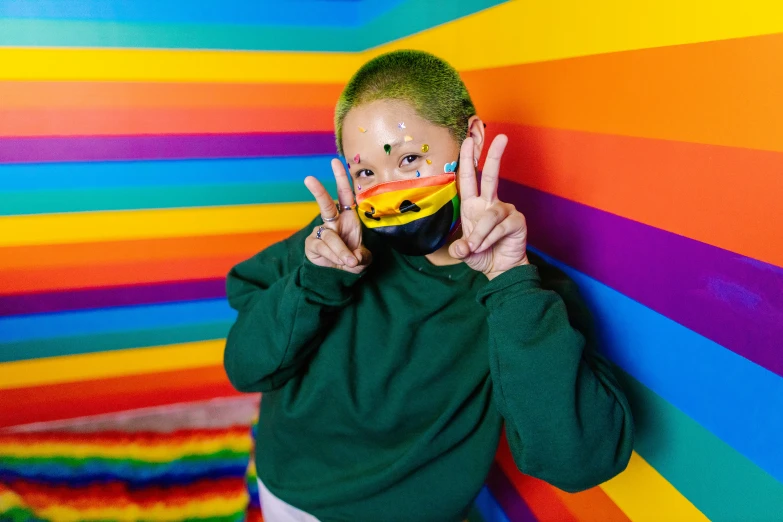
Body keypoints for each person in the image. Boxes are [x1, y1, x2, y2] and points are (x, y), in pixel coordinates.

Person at [224, 50, 633, 522]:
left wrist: (509, 283)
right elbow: (245, 368)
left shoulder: (526, 293)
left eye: (410, 158)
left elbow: (578, 463)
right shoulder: (331, 243)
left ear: (471, 142)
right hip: (289, 489)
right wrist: (314, 282)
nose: (390, 192)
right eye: (366, 173)